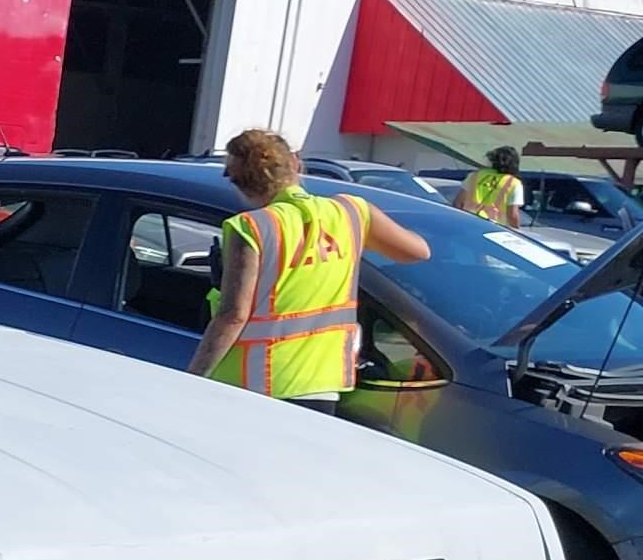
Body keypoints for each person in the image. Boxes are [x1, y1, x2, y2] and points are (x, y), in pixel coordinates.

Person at [188, 129, 429, 410]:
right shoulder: (351, 212)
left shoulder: (250, 227)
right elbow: (418, 251)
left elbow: (233, 316)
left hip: (253, 385)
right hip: (322, 384)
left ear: (240, 183)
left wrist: (193, 380)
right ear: (296, 163)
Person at [453, 145, 526, 226]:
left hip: (469, 225)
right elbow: (512, 215)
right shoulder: (513, 183)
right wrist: (516, 232)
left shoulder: (474, 176)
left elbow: (457, 203)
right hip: (494, 229)